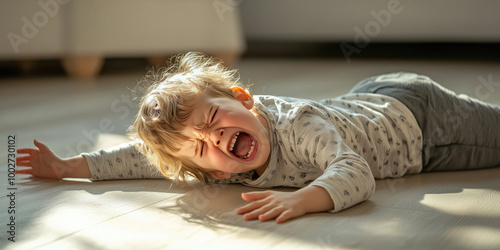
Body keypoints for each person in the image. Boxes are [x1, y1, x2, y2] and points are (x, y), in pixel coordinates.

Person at [16, 52, 500, 223]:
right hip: (366, 101)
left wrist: (304, 200)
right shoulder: (206, 159)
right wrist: (69, 167)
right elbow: (143, 159)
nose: (215, 140)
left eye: (213, 119)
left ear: (242, 98)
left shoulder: (298, 126)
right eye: (201, 148)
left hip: (423, 124)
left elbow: (355, 171)